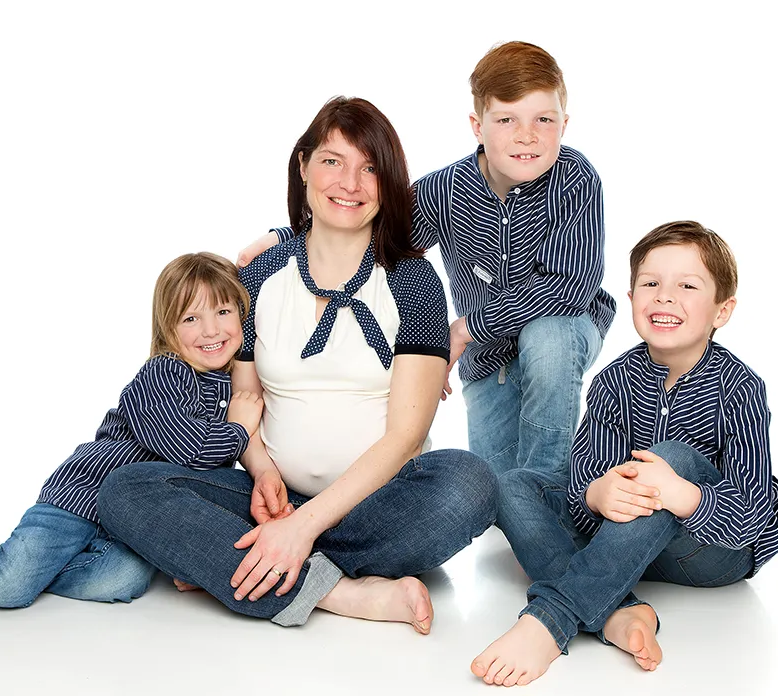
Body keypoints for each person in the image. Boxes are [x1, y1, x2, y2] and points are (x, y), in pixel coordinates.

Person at [97, 97, 496, 633]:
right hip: (272, 505)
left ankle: (236, 561)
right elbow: (246, 399)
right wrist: (262, 474)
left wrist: (306, 526)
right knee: (126, 490)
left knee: (470, 485)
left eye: (370, 167)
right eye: (333, 161)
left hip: (378, 507)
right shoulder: (260, 275)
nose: (350, 182)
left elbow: (406, 435)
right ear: (303, 166)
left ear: (389, 182)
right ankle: (337, 591)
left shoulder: (412, 281)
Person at [238, 41, 615, 488]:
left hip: (563, 331)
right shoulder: (445, 190)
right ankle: (532, 503)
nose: (527, 135)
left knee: (547, 340)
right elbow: (367, 226)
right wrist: (287, 238)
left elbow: (569, 289)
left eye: (544, 120)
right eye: (507, 119)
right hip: (490, 363)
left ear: (564, 124)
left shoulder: (577, 180)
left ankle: (550, 493)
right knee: (497, 494)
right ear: (478, 125)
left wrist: (464, 328)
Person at [473, 221, 778, 686]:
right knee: (514, 483)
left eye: (687, 285)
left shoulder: (739, 388)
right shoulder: (614, 382)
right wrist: (596, 494)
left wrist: (684, 496)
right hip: (623, 547)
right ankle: (618, 611)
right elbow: (585, 484)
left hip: (707, 552)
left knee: (669, 458)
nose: (664, 296)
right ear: (631, 298)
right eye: (651, 283)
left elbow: (754, 514)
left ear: (722, 311)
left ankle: (553, 617)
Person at [0, 253, 263, 609]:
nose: (211, 330)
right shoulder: (164, 372)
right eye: (191, 318)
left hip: (130, 524)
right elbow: (188, 451)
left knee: (120, 581)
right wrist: (238, 429)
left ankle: (8, 569)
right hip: (81, 495)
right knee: (7, 588)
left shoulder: (234, 385)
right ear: (168, 328)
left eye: (223, 312)